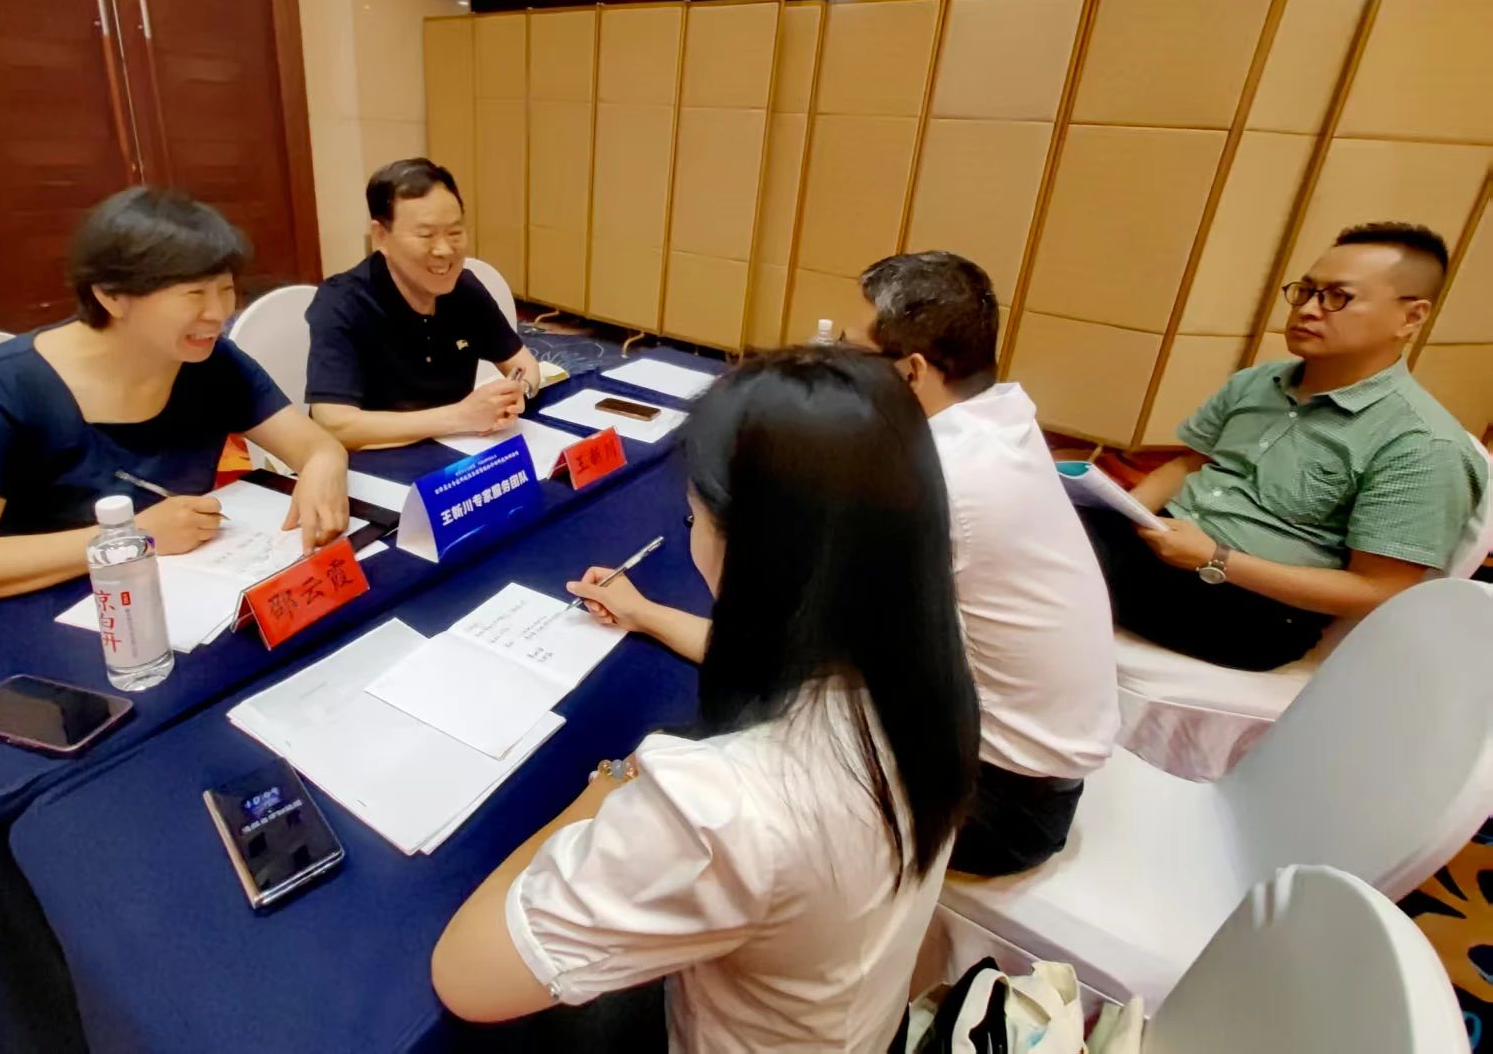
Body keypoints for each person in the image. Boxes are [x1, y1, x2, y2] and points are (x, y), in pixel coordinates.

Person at [432, 350, 980, 1052]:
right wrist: (647, 613)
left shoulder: (723, 807)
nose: (692, 535)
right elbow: (787, 652)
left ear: (757, 553)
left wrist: (607, 789)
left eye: (694, 518)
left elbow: (466, 975)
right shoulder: (922, 651)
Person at [0, 188, 350, 607]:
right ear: (111, 295)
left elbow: (315, 446)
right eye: (194, 294)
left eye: (226, 289)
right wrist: (132, 537)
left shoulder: (211, 362)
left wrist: (323, 465)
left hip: (180, 594)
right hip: (49, 609)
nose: (219, 313)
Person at [1081, 221, 1488, 670]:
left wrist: (1216, 558)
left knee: (1048, 555)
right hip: (1162, 546)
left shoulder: (1422, 444)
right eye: (1305, 291)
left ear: (1411, 317)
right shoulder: (1258, 382)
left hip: (1252, 608)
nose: (1309, 310)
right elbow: (1189, 464)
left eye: (1337, 297)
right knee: (1039, 515)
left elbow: (1379, 590)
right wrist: (1127, 511)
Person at [842, 252, 1117, 875]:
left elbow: (823, 642)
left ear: (912, 371)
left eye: (855, 356)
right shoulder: (1000, 415)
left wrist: (651, 615)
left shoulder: (938, 477)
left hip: (997, 803)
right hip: (1036, 769)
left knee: (753, 764)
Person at [306, 158, 540, 448]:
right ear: (381, 237)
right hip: (372, 462)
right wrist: (460, 417)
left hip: (453, 451)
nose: (444, 250)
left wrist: (519, 390)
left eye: (455, 233)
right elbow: (334, 423)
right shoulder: (342, 302)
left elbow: (524, 364)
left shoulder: (464, 289)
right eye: (426, 235)